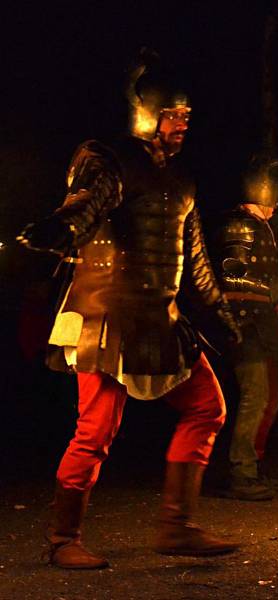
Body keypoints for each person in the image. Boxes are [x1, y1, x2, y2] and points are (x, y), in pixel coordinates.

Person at [16, 49, 242, 569]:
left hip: (160, 319)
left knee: (209, 406)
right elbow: (91, 203)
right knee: (96, 430)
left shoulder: (183, 180)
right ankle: (62, 539)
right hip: (106, 315)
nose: (183, 123)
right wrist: (61, 227)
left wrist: (222, 317)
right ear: (148, 113)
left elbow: (197, 261)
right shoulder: (109, 159)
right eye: (174, 114)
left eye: (187, 115)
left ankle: (177, 527)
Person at [215, 156, 278, 501]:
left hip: (265, 325)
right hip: (244, 325)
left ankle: (254, 467)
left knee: (270, 398)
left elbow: (268, 281)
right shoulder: (239, 225)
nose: (276, 206)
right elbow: (230, 278)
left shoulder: (262, 227)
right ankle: (240, 473)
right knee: (255, 397)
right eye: (273, 198)